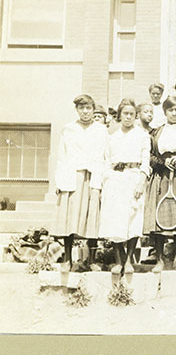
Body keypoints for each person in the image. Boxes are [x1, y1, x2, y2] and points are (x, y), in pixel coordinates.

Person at [52, 94, 108, 272]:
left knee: (92, 218)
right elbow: (61, 156)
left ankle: (91, 260)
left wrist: (103, 180)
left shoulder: (101, 130)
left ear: (93, 109)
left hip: (93, 176)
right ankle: (67, 259)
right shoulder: (68, 129)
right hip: (72, 177)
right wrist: (59, 181)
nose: (85, 112)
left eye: (88, 108)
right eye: (81, 108)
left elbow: (106, 156)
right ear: (76, 110)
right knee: (70, 219)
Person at [143, 96, 176, 272]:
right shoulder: (155, 132)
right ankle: (160, 260)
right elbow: (148, 156)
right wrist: (161, 161)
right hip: (161, 176)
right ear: (165, 112)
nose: (174, 113)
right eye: (171, 110)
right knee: (159, 217)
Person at [98, 99, 151, 274]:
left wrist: (141, 182)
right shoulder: (112, 137)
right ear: (119, 115)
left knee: (133, 220)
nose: (128, 117)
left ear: (136, 116)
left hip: (133, 177)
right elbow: (106, 160)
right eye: (125, 113)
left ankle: (129, 261)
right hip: (115, 180)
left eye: (131, 114)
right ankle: (119, 260)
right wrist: (107, 180)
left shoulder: (142, 135)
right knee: (116, 220)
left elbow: (145, 161)